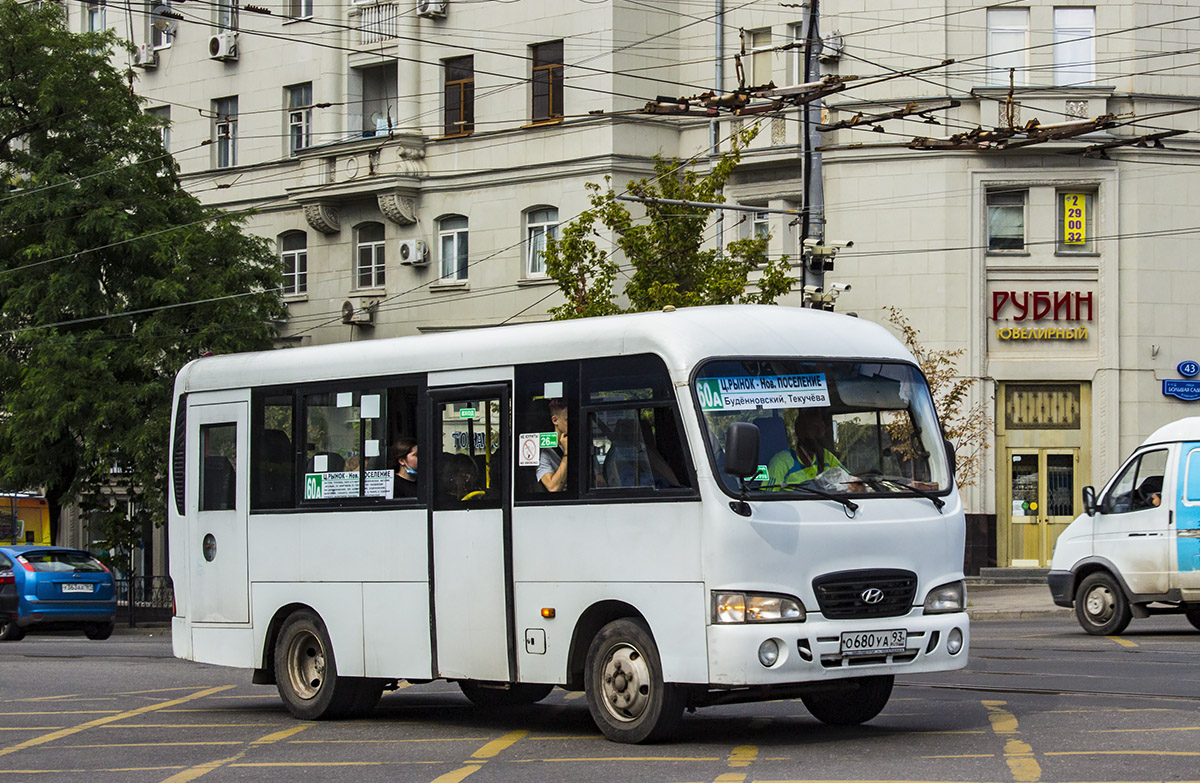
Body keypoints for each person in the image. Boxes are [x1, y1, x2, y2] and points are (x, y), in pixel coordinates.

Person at [767, 407, 845, 488]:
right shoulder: (781, 462)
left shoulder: (827, 457)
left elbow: (848, 480)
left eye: (821, 429)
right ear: (800, 431)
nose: (819, 434)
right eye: (814, 428)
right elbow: (768, 495)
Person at [537, 398, 569, 492]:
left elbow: (599, 480)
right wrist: (566, 454)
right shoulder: (545, 452)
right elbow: (553, 487)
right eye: (567, 420)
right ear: (555, 420)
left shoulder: (581, 445)